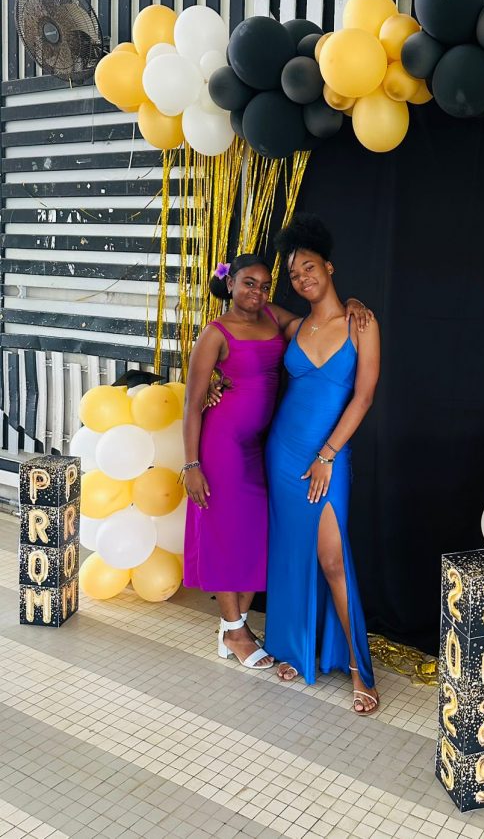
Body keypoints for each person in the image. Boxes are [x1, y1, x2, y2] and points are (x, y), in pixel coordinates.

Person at [183, 254, 370, 671]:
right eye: (249, 283)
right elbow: (192, 404)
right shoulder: (214, 333)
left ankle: (234, 626)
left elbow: (314, 322)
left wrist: (352, 303)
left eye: (265, 285)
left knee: (254, 537)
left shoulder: (273, 317)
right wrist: (191, 465)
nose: (258, 292)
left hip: (261, 448)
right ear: (230, 284)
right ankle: (234, 632)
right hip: (223, 446)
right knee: (224, 535)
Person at [265, 213, 380, 714]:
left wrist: (327, 455)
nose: (302, 279)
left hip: (328, 457)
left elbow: (364, 396)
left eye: (309, 268)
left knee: (333, 560)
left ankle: (358, 667)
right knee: (292, 551)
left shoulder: (361, 324)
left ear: (329, 266)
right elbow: (249, 306)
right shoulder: (294, 325)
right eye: (293, 275)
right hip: (283, 453)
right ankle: (293, 648)